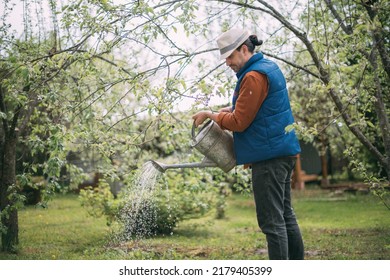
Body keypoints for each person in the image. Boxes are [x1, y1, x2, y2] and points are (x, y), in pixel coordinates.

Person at [192, 28, 304, 260]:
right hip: (281, 153)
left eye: (230, 56)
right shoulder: (268, 68)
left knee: (272, 222)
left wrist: (210, 114)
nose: (227, 63)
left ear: (244, 49)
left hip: (268, 158)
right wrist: (230, 109)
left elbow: (239, 123)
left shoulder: (253, 76)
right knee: (285, 216)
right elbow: (261, 108)